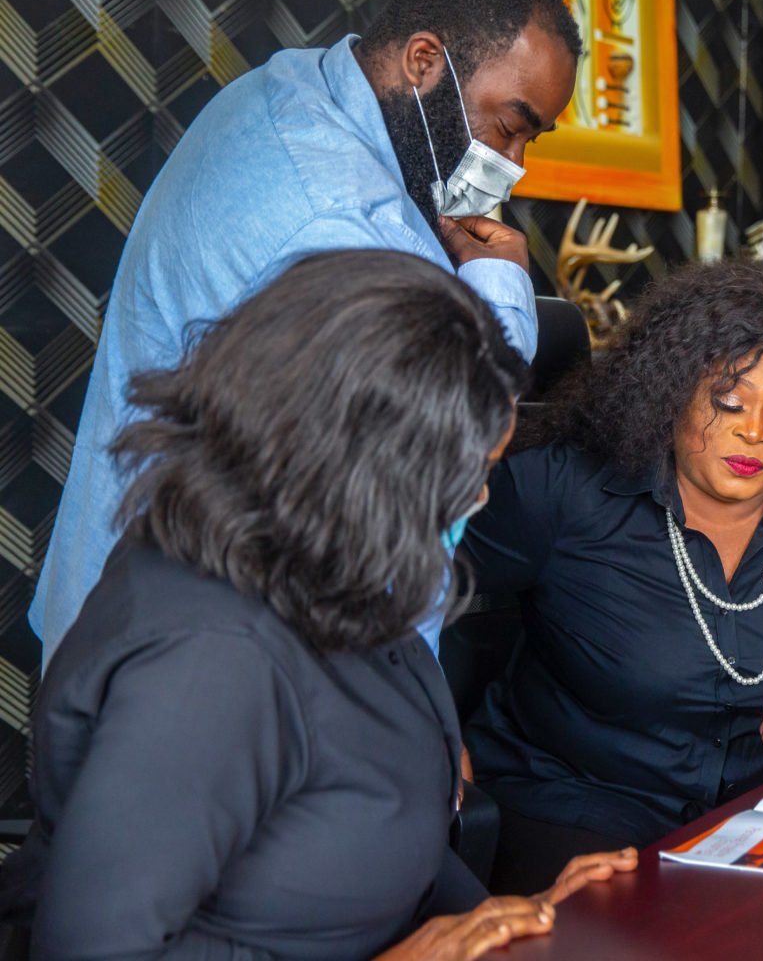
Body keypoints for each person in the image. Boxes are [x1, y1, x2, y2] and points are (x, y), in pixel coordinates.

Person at [0, 252, 634, 960]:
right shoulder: (209, 663)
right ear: (373, 471)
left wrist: (517, 919)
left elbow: (399, 837)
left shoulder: (340, 576)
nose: (481, 499)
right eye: (473, 474)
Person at [31, 0, 582, 666]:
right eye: (511, 124)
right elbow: (441, 463)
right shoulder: (349, 227)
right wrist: (499, 293)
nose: (515, 162)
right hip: (205, 673)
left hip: (112, 606)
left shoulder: (283, 87)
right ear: (423, 61)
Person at [459, 261, 763, 892]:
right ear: (668, 392)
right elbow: (396, 585)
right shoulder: (565, 490)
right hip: (580, 802)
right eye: (728, 403)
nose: (754, 433)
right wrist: (422, 726)